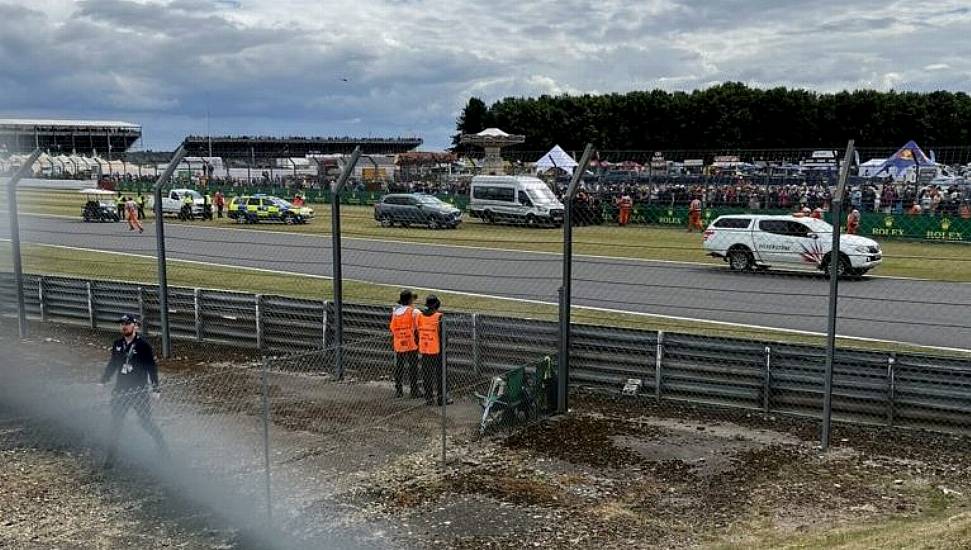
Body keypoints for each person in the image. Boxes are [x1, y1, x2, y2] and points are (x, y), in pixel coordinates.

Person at [100, 314, 167, 468]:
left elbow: (151, 367)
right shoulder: (117, 344)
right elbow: (113, 363)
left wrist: (156, 387)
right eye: (122, 324)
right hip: (120, 391)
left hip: (138, 391)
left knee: (145, 422)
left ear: (135, 326)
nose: (124, 326)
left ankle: (161, 446)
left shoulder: (143, 346)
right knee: (116, 423)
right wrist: (104, 380)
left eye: (127, 323)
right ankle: (110, 458)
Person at [417, 295, 449, 406]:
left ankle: (429, 398)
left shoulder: (420, 316)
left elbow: (417, 332)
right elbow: (443, 335)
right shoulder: (439, 316)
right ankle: (442, 399)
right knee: (441, 375)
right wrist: (445, 346)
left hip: (425, 349)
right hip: (437, 350)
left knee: (427, 375)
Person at [389, 289, 421, 399]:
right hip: (411, 342)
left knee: (399, 366)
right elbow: (418, 326)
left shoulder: (395, 312)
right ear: (409, 300)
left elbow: (392, 328)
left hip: (399, 342)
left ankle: (398, 390)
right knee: (413, 367)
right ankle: (414, 390)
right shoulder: (414, 312)